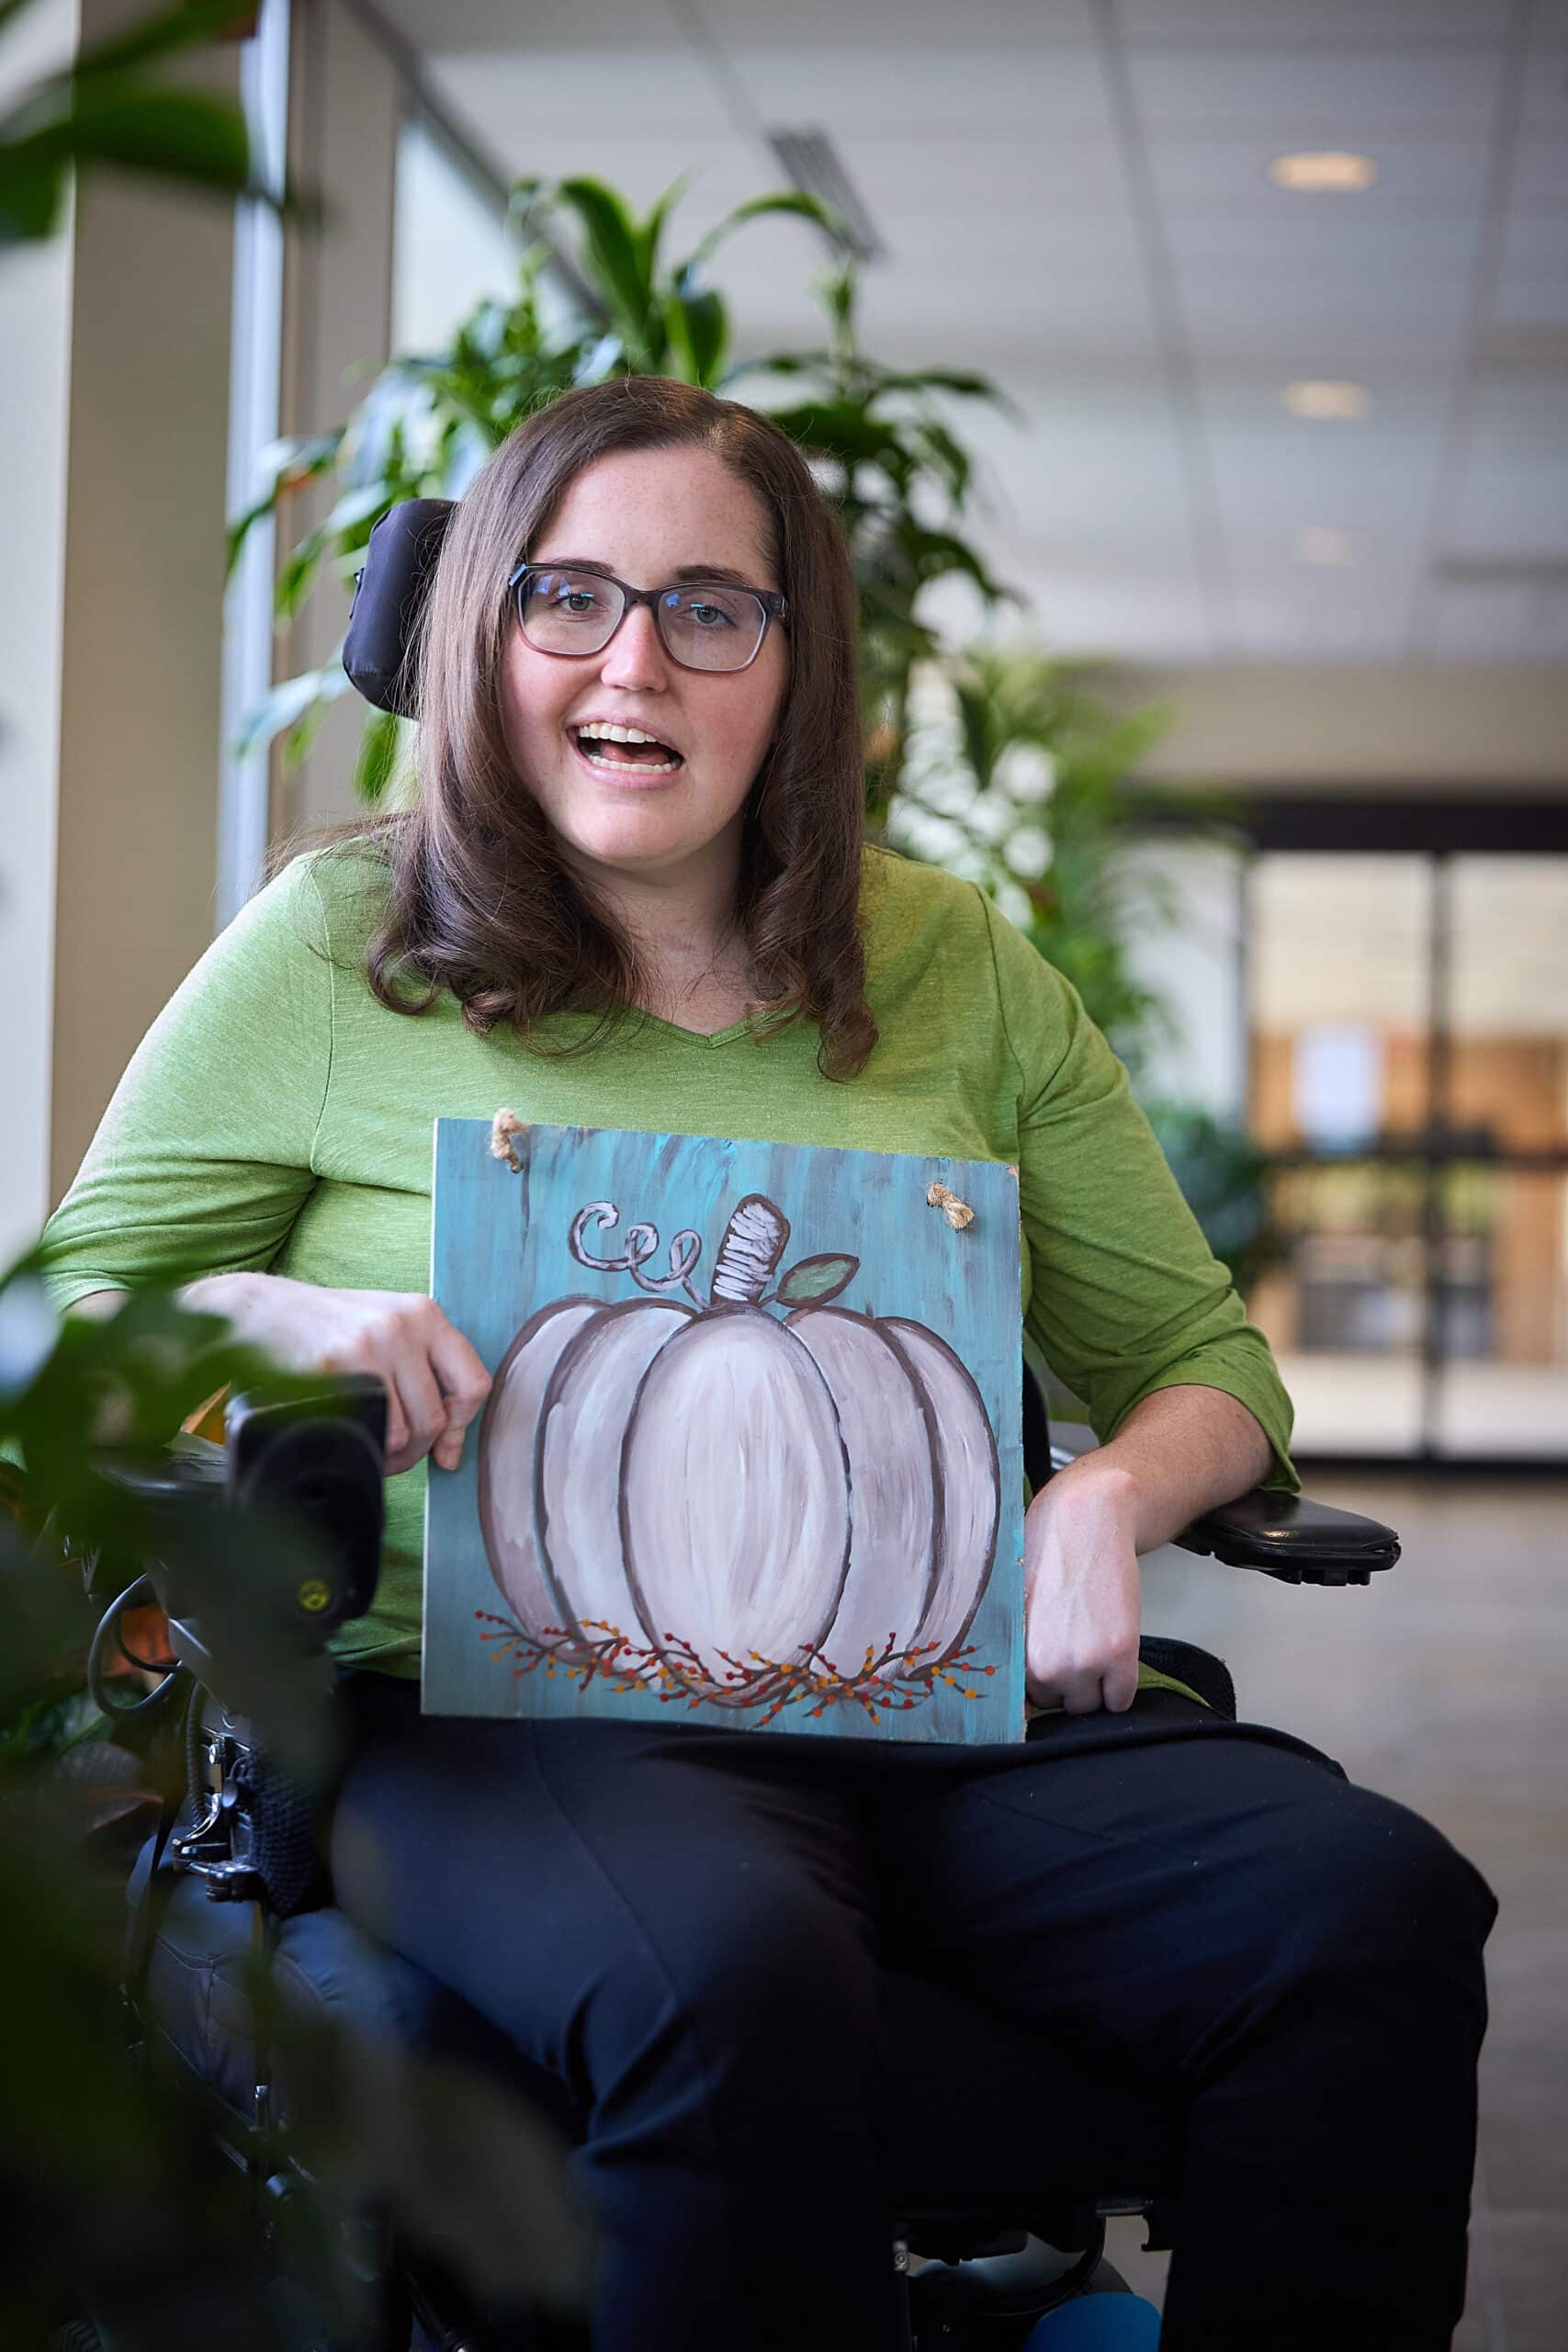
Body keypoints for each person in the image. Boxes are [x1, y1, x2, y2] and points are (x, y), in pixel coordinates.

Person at [39, 375, 1495, 2351]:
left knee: (1364, 1907)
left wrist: (1111, 1486)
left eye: (706, 607)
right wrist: (278, 1319)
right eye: (567, 596)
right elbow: (55, 1320)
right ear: (482, 636)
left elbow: (1201, 1358)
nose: (630, 659)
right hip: (496, 1717)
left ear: (793, 668)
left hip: (934, 1708)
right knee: (731, 1969)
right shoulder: (332, 947)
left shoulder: (949, 963)